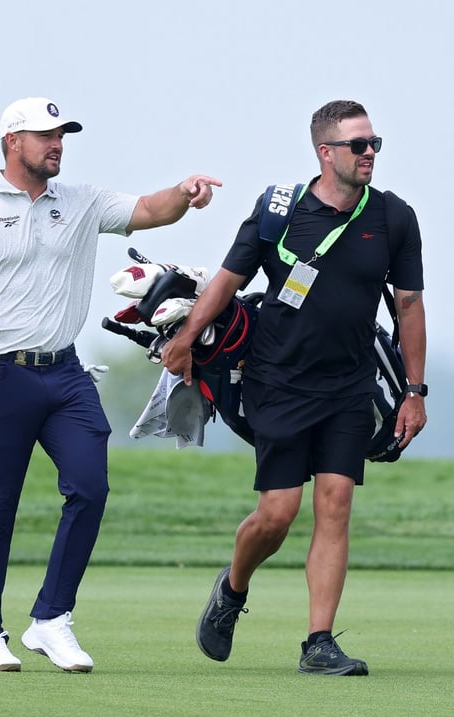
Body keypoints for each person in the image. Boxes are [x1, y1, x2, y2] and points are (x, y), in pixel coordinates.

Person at [0, 97, 221, 673]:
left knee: (90, 487)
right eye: (45, 135)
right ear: (13, 142)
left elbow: (148, 210)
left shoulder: (83, 201)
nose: (57, 143)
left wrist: (184, 193)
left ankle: (50, 620)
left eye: (62, 134)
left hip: (65, 374)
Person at [160, 100, 427, 676]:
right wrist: (185, 337)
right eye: (359, 145)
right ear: (325, 152)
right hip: (276, 380)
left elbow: (409, 307)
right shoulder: (277, 212)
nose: (370, 153)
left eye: (375, 142)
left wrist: (415, 389)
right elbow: (229, 281)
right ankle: (232, 590)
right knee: (277, 514)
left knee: (335, 504)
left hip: (349, 386)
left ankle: (319, 643)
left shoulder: (395, 218)